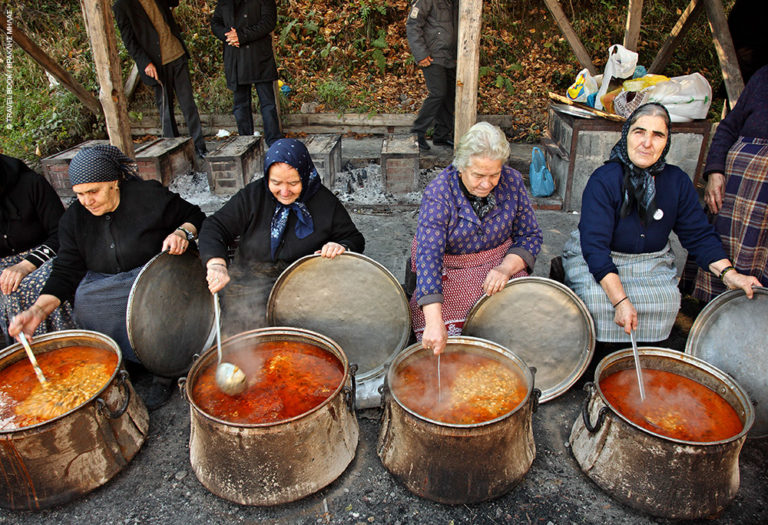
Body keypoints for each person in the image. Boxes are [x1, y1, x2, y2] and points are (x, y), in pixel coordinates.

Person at [8, 145, 206, 409]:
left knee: (157, 307)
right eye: (79, 194)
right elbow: (66, 271)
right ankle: (129, 362)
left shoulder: (148, 196)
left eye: (93, 191)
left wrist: (182, 233)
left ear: (114, 183)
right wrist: (37, 312)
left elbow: (195, 215)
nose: (87, 201)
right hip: (105, 286)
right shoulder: (74, 220)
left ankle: (165, 371)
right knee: (87, 301)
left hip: (156, 278)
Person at [562, 103, 760, 344]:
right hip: (601, 259)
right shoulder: (604, 180)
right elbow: (594, 248)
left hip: (650, 262)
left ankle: (642, 359)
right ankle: (596, 359)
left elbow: (698, 235)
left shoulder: (677, 181)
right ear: (626, 135)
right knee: (596, 302)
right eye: (639, 132)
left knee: (667, 301)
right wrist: (621, 301)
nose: (647, 143)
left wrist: (730, 274)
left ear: (667, 142)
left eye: (658, 135)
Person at [198, 138, 365, 335]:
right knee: (243, 341)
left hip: (303, 289)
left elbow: (354, 238)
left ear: (305, 175)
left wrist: (340, 245)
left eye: (293, 183)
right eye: (275, 183)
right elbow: (214, 226)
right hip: (248, 284)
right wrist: (216, 264)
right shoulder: (253, 196)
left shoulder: (324, 202)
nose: (284, 192)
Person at [410, 122, 543, 355]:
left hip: (500, 265)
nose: (486, 183)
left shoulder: (512, 182)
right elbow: (428, 256)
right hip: (451, 269)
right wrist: (434, 322)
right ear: (461, 168)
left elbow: (529, 235)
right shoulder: (439, 192)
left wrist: (505, 269)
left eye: (494, 175)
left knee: (523, 320)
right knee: (442, 334)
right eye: (478, 175)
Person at [690, 64, 768, 302]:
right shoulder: (764, 76)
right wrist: (714, 171)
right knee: (727, 254)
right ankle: (721, 314)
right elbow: (728, 126)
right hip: (739, 191)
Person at [113, 0, 208, 158]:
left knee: (189, 105)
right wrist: (145, 63)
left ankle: (200, 149)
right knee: (166, 111)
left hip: (176, 54)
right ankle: (175, 153)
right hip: (155, 63)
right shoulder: (122, 6)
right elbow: (129, 40)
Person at [0, 154, 74, 343]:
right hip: (3, 265)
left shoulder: (31, 184)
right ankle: (17, 357)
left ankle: (61, 347)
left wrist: (27, 265)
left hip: (43, 256)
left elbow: (61, 233)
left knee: (25, 287)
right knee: (5, 284)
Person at [211, 0, 284, 146]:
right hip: (235, 57)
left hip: (258, 56)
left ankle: (274, 143)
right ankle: (246, 144)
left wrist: (242, 35)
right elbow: (215, 23)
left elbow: (268, 22)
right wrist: (229, 36)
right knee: (240, 105)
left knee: (268, 104)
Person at [406, 0, 458, 152]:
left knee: (449, 95)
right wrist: (421, 54)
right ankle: (417, 132)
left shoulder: (456, 2)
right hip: (432, 55)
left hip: (450, 56)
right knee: (438, 92)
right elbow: (412, 25)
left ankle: (442, 135)